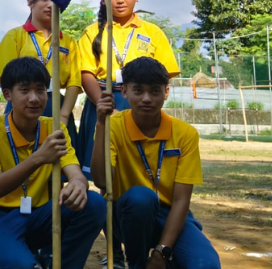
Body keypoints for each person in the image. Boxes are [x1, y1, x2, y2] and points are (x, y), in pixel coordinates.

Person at [0, 57, 106, 269]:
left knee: (94, 203)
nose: (34, 98)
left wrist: (79, 183)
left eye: (40, 90)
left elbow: (75, 172)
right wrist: (39, 157)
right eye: (24, 90)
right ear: (8, 94)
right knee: (22, 265)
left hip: (40, 215)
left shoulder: (55, 129)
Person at [91, 58, 219, 269]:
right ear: (124, 92)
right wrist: (100, 125)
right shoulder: (111, 126)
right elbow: (101, 181)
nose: (146, 99)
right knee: (141, 198)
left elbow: (181, 201)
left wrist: (162, 252)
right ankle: (137, 265)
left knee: (206, 265)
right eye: (138, 90)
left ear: (166, 92)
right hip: (127, 215)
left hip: (171, 216)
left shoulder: (185, 134)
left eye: (155, 91)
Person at [75, 0, 179, 177]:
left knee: (137, 163)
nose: (120, 0)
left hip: (141, 101)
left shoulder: (152, 32)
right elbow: (86, 73)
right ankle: (105, 208)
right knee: (102, 168)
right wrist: (104, 107)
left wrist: (145, 102)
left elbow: (164, 73)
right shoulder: (92, 32)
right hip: (102, 101)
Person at [0, 0, 83, 119]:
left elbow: (74, 83)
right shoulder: (15, 36)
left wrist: (63, 116)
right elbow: (6, 79)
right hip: (22, 106)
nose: (51, 4)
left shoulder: (69, 42)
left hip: (57, 107)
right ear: (30, 1)